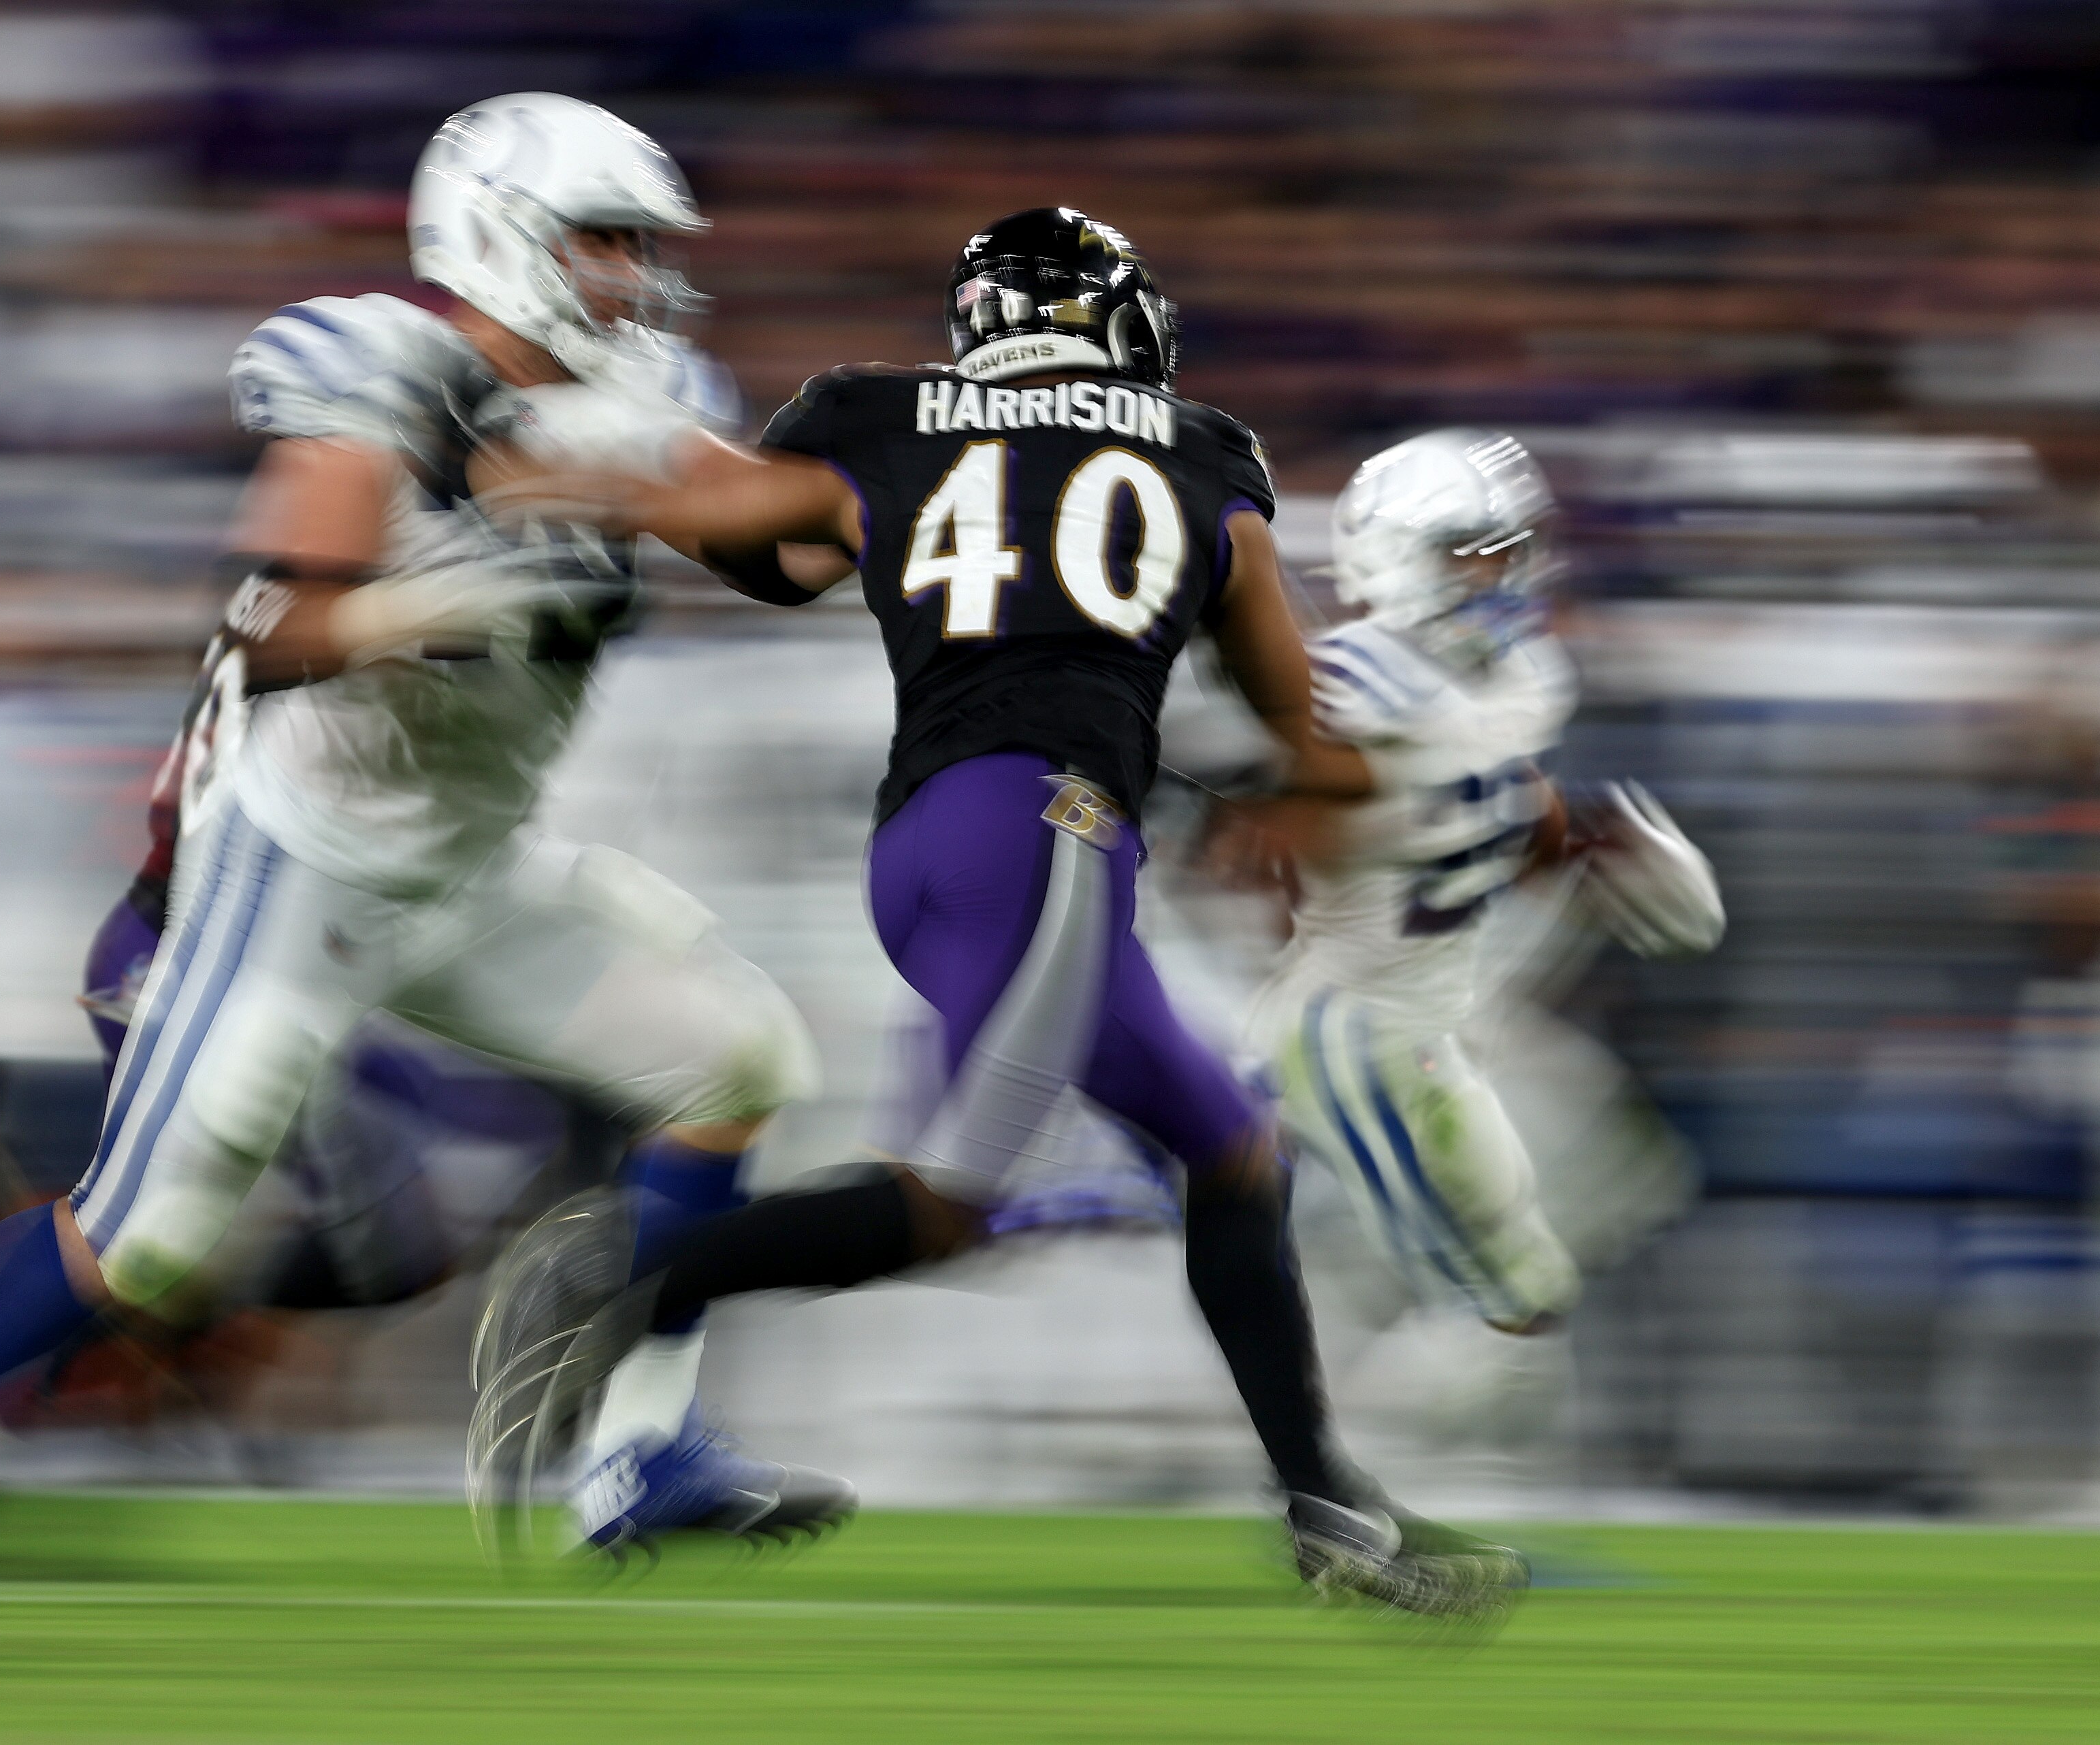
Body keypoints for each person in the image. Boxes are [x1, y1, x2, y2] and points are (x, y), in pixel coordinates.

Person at [0, 93, 850, 1632]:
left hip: (459, 866)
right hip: (295, 862)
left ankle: (638, 1451)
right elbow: (278, 634)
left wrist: (892, 484)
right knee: (155, 1233)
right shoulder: (377, 371)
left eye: (639, 246)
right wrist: (446, 606)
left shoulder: (646, 389)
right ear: (497, 236)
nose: (629, 278)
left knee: (728, 1056)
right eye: (601, 239)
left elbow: (779, 550)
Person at [477, 207, 1525, 1617]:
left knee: (1233, 1154)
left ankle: (1330, 1506)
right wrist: (1458, 780)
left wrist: (573, 474)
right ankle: (624, 1269)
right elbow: (1294, 725)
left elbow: (745, 541)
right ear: (1117, 322)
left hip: (944, 844)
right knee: (945, 1209)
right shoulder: (1202, 453)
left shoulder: (877, 419)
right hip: (1050, 835)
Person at [1234, 428, 1724, 1338]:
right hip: (1342, 1028)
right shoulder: (1344, 689)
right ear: (1395, 559)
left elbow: (1493, 802)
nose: (1499, 577)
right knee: (1478, 1288)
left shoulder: (1525, 679)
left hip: (1442, 1020)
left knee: (1587, 1210)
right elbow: (1250, 853)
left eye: (1510, 553)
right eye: (1472, 554)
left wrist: (1587, 845)